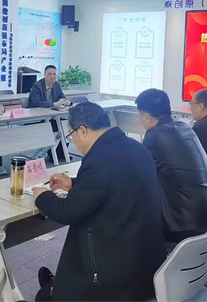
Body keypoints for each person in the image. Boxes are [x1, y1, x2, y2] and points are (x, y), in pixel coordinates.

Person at [32, 103, 165, 301]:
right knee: (55, 288)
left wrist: (42, 195)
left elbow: (68, 211)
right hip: (146, 263)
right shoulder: (136, 147)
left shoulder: (99, 159)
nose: (74, 141)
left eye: (71, 135)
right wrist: (74, 183)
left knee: (44, 297)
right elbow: (115, 184)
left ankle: (53, 290)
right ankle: (54, 286)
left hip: (114, 273)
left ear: (83, 130)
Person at [136, 89, 207, 243]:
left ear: (146, 117)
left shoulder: (154, 135)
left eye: (139, 115)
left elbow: (138, 174)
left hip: (184, 225)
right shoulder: (184, 127)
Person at [28, 65, 71, 161]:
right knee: (55, 127)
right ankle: (52, 154)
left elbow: (62, 96)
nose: (52, 76)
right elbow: (37, 102)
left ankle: (60, 154)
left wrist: (66, 101)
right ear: (44, 74)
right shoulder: (37, 86)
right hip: (38, 117)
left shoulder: (57, 85)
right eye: (50, 74)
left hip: (52, 115)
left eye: (54, 74)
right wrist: (54, 104)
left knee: (66, 126)